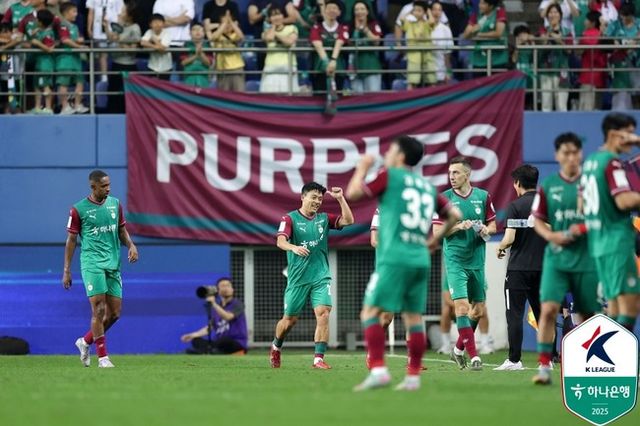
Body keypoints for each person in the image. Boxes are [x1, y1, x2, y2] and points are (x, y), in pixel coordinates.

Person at [346, 136, 461, 391]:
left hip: (394, 257)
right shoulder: (426, 185)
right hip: (420, 258)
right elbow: (455, 214)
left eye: (390, 150)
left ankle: (378, 370)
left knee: (370, 313)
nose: (386, 154)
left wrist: (362, 168)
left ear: (399, 156)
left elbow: (353, 193)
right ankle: (412, 378)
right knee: (413, 317)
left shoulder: (389, 176)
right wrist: (434, 241)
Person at [530, 133, 600, 385]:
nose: (570, 157)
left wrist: (579, 229)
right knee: (548, 310)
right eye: (565, 152)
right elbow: (537, 219)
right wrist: (552, 235)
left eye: (575, 152)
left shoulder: (592, 184)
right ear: (557, 155)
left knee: (587, 314)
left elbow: (602, 218)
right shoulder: (548, 186)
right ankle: (544, 367)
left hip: (586, 259)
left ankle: (588, 366)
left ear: (581, 154)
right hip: (556, 260)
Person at [270, 182, 354, 369]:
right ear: (303, 197)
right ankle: (276, 346)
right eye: (313, 197)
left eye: (320, 199)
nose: (317, 201)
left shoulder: (324, 219)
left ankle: (318, 359)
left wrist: (340, 199)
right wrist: (293, 247)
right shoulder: (289, 218)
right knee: (289, 321)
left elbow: (348, 221)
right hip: (298, 278)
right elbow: (280, 241)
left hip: (320, 276)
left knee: (324, 313)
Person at [63, 170, 139, 368]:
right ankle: (103, 357)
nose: (108, 189)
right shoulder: (78, 209)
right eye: (104, 186)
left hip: (113, 264)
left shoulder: (115, 204)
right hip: (92, 264)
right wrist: (67, 270)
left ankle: (85, 341)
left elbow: (121, 230)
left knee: (114, 314)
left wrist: (131, 245)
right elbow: (71, 240)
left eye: (109, 185)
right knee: (99, 309)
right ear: (93, 187)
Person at [433, 156, 496, 371]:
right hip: (455, 261)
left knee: (478, 311)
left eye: (456, 172)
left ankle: (458, 350)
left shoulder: (483, 196)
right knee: (461, 307)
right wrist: (457, 227)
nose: (451, 176)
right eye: (450, 173)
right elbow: (436, 232)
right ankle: (474, 356)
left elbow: (493, 225)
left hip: (477, 261)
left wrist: (486, 229)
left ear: (467, 175)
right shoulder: (443, 199)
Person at [582, 112, 640, 332]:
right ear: (614, 133)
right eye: (629, 133)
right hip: (617, 241)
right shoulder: (612, 163)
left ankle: (609, 351)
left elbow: (581, 204)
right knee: (630, 305)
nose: (632, 138)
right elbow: (624, 200)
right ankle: (618, 352)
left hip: (598, 243)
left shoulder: (591, 162)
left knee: (614, 304)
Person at [494, 165, 547, 371]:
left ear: (517, 183)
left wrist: (500, 247)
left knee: (514, 315)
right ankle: (547, 360)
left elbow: (509, 238)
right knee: (544, 315)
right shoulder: (546, 204)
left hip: (518, 269)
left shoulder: (515, 206)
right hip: (543, 268)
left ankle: (515, 360)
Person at [180, 278, 248, 354]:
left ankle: (206, 351)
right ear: (218, 291)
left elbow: (228, 317)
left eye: (228, 286)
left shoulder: (237, 304)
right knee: (196, 340)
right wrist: (193, 335)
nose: (226, 288)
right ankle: (211, 351)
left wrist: (214, 303)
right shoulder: (217, 308)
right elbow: (210, 327)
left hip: (235, 342)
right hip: (219, 343)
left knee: (224, 340)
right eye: (223, 286)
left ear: (232, 289)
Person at [105, 1, 141, 113]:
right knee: (113, 94)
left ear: (130, 15)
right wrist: (106, 26)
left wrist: (120, 41)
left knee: (125, 96)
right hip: (116, 64)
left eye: (123, 11)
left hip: (128, 67)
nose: (120, 13)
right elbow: (111, 38)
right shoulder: (120, 25)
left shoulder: (135, 28)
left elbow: (133, 50)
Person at [309, 0, 349, 93]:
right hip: (320, 68)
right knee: (319, 95)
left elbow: (339, 42)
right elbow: (318, 45)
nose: (332, 10)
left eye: (334, 8)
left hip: (338, 68)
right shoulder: (316, 28)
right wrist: (326, 63)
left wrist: (333, 61)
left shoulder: (343, 28)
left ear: (339, 12)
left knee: (338, 95)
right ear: (324, 11)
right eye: (329, 8)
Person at [538, 3, 572, 112]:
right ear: (547, 16)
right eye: (550, 12)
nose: (553, 15)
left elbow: (569, 50)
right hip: (546, 70)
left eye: (555, 12)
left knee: (561, 106)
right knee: (546, 105)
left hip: (562, 71)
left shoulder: (567, 32)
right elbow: (543, 43)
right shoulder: (543, 30)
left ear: (560, 15)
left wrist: (560, 41)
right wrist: (550, 33)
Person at [57, 1, 88, 115]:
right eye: (74, 11)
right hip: (65, 59)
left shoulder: (74, 26)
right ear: (66, 13)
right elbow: (65, 40)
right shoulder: (62, 25)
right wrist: (79, 46)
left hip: (76, 59)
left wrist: (80, 41)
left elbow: (78, 39)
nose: (76, 14)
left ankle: (77, 105)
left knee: (80, 81)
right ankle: (65, 107)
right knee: (63, 83)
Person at [260, 6, 299, 94]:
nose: (276, 17)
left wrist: (276, 34)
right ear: (269, 18)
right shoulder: (266, 32)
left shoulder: (292, 28)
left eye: (278, 14)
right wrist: (273, 27)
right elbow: (269, 38)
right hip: (271, 67)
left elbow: (289, 42)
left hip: (288, 67)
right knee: (270, 96)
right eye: (273, 15)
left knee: (288, 97)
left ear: (283, 16)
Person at [462, 0, 508, 74]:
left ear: (491, 6)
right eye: (480, 3)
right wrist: (472, 31)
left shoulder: (499, 12)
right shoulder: (476, 15)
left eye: (483, 3)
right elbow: (465, 35)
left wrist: (479, 34)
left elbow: (498, 33)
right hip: (479, 59)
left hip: (497, 58)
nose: (480, 5)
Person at [349, 0, 383, 93]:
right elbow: (350, 45)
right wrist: (356, 29)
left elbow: (377, 42)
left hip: (371, 67)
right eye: (356, 9)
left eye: (362, 9)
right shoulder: (349, 26)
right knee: (357, 98)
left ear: (367, 11)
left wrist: (365, 29)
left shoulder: (373, 24)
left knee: (373, 97)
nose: (359, 12)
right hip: (355, 68)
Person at [87, 0, 124, 83]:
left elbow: (120, 14)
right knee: (102, 54)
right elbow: (91, 12)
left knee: (115, 54)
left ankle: (115, 77)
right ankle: (104, 77)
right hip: (98, 31)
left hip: (113, 30)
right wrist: (89, 28)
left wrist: (118, 31)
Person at [402, 1, 436, 89]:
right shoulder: (410, 24)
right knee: (412, 82)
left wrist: (428, 11)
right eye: (415, 10)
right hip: (414, 56)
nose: (416, 12)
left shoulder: (427, 23)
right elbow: (402, 18)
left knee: (431, 81)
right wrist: (410, 12)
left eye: (419, 10)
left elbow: (432, 21)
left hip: (427, 56)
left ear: (424, 12)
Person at [210, 10, 244, 91]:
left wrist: (231, 22)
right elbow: (213, 38)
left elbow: (241, 37)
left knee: (239, 93)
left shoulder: (235, 34)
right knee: (224, 94)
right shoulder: (217, 35)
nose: (227, 25)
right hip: (222, 69)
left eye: (229, 23)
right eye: (224, 23)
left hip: (236, 68)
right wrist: (225, 23)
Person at [578, 11, 605, 111]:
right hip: (600, 77)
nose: (584, 22)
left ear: (592, 22)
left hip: (588, 77)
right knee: (597, 109)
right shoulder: (602, 35)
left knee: (586, 109)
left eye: (586, 19)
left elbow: (578, 52)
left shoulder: (586, 34)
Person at [31, 8, 55, 114]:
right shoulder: (40, 32)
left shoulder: (48, 33)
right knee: (37, 85)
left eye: (37, 19)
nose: (35, 21)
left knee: (45, 85)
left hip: (46, 64)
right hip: (38, 63)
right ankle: (37, 107)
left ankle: (48, 108)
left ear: (41, 21)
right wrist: (34, 34)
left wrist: (38, 43)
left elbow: (49, 49)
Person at [140, 13, 173, 80]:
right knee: (151, 85)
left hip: (165, 67)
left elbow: (162, 48)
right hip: (152, 66)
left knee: (164, 85)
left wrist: (153, 40)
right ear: (150, 24)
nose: (157, 24)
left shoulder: (167, 33)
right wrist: (154, 46)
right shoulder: (149, 32)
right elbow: (142, 42)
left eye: (159, 22)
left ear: (163, 24)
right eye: (155, 22)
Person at [181, 22, 212, 88]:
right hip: (189, 77)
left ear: (204, 33)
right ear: (190, 33)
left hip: (203, 77)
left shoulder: (208, 45)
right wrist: (196, 55)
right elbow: (183, 63)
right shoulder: (186, 45)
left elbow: (208, 63)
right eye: (194, 29)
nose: (197, 31)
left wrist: (201, 54)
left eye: (200, 29)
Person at [430, 1, 453, 85]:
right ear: (429, 11)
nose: (437, 12)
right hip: (425, 73)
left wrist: (448, 73)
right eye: (434, 9)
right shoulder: (423, 27)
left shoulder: (446, 29)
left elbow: (447, 55)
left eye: (439, 10)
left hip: (440, 74)